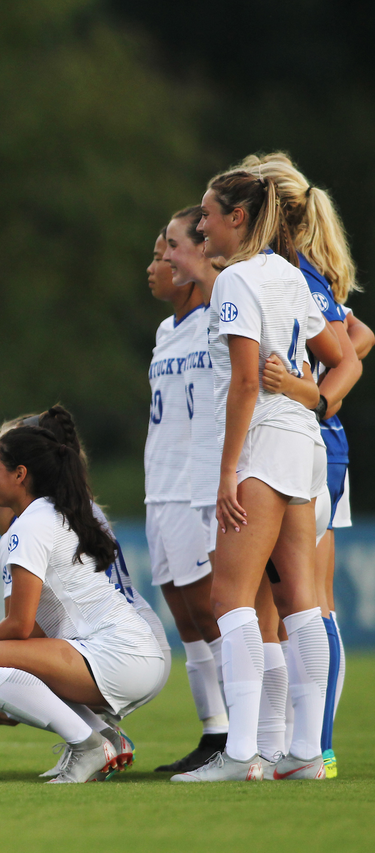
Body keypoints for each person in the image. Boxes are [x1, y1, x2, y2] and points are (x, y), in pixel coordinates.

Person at [172, 169, 333, 782]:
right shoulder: (290, 275)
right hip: (302, 441)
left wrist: (227, 471)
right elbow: (330, 354)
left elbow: (243, 381)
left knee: (229, 599)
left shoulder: (236, 278)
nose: (200, 224)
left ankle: (240, 755)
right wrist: (308, 395)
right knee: (302, 602)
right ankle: (308, 754)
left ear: (236, 217)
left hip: (261, 444)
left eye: (208, 214)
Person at [0, 426, 167, 783]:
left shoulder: (28, 526)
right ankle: (104, 738)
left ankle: (88, 745)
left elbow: (19, 626)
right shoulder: (51, 513)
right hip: (132, 653)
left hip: (118, 654)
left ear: (20, 475)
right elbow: (34, 631)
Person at [238, 153, 364, 778]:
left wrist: (311, 394)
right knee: (283, 602)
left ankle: (311, 745)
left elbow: (349, 349)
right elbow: (356, 338)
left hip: (305, 446)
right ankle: (286, 747)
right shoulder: (276, 272)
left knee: (303, 601)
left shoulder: (292, 275)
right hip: (295, 441)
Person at [144, 214, 231, 772]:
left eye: (164, 252)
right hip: (161, 487)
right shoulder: (164, 332)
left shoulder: (216, 320)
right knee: (186, 619)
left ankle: (247, 732)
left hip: (197, 489)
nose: (155, 266)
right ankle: (213, 730)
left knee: (213, 612)